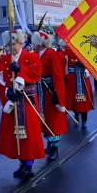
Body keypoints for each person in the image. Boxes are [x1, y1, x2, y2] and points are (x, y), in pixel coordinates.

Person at [0, 29, 45, 179]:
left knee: (29, 134)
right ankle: (22, 162)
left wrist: (21, 69)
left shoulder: (31, 56)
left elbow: (37, 72)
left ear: (21, 43)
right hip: (12, 100)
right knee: (15, 134)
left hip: (27, 101)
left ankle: (29, 164)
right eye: (9, 45)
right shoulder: (4, 59)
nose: (11, 47)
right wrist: (6, 91)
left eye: (14, 44)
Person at [33, 31, 68, 161]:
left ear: (40, 42)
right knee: (43, 119)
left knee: (53, 120)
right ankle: (49, 144)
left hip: (49, 91)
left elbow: (58, 76)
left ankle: (55, 148)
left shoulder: (52, 55)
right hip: (38, 90)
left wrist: (58, 96)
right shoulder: (35, 55)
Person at [63, 40, 94, 128]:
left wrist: (84, 64)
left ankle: (84, 120)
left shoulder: (85, 47)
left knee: (84, 100)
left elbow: (91, 62)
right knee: (73, 99)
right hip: (72, 77)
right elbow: (65, 63)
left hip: (83, 76)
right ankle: (76, 116)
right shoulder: (68, 48)